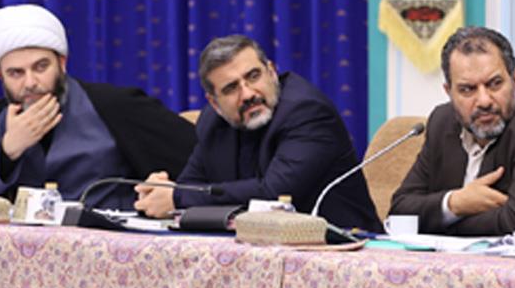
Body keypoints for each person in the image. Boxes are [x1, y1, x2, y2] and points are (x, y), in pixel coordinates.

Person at [134, 35, 381, 231]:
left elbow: (274, 194)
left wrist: (177, 197)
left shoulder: (307, 112)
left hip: (343, 249)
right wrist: (159, 193)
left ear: (271, 72)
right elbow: (192, 186)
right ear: (215, 102)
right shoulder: (213, 122)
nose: (248, 94)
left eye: (253, 76)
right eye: (231, 88)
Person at [0, 4, 196, 210]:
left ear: (62, 63)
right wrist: (8, 149)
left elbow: (200, 161)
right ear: (0, 77)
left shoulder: (115, 106)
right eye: (16, 73)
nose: (30, 82)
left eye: (41, 67)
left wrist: (171, 194)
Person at [389, 26, 515, 235]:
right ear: (449, 91)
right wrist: (454, 203)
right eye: (467, 89)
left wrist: (444, 222)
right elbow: (400, 212)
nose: (484, 101)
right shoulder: (442, 122)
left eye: (494, 84)